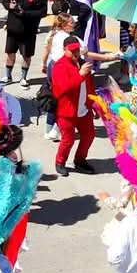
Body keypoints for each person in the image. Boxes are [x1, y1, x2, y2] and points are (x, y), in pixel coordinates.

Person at [51, 36, 96, 176]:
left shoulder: (82, 63)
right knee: (68, 140)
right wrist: (81, 74)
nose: (76, 53)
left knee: (89, 136)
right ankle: (60, 162)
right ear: (65, 50)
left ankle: (80, 160)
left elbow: (89, 86)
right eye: (72, 50)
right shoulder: (59, 66)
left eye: (77, 49)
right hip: (67, 112)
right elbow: (65, 88)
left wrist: (93, 103)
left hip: (83, 109)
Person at [0, 0, 48, 88]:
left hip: (28, 30)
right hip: (13, 28)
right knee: (10, 52)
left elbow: (43, 12)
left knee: (26, 55)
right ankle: (8, 76)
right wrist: (8, 6)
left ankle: (23, 78)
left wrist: (25, 13)